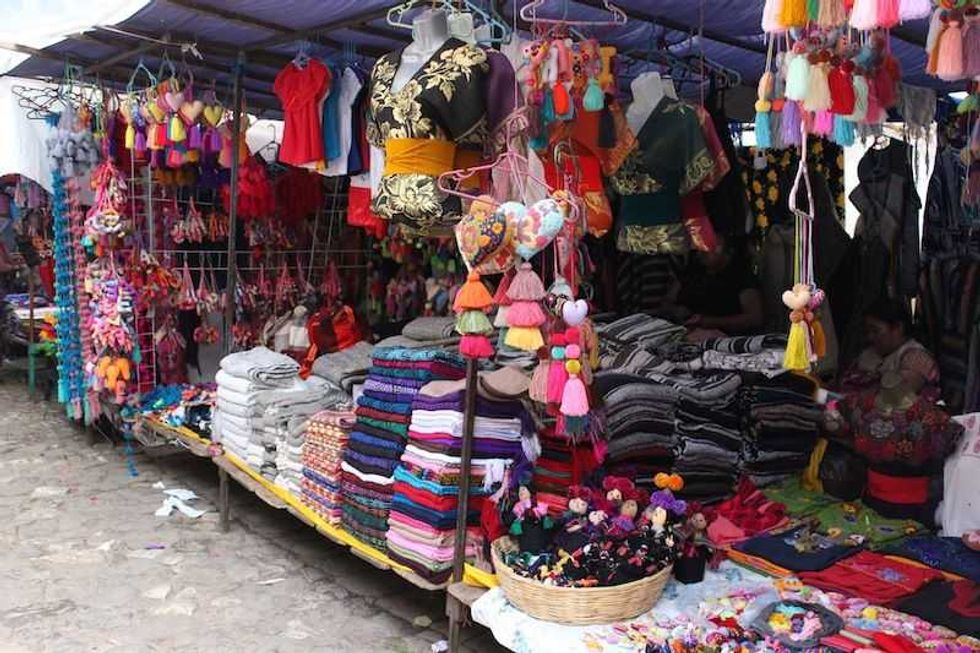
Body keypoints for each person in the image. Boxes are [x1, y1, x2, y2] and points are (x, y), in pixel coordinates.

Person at [661, 233, 765, 336]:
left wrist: (708, 322)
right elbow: (667, 301)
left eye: (712, 246)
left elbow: (754, 318)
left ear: (728, 252)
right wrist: (675, 310)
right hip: (683, 332)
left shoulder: (742, 277)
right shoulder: (692, 271)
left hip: (724, 338)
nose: (704, 250)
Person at [840, 298, 939, 400]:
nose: (870, 337)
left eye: (875, 331)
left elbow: (898, 394)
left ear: (898, 328)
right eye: (867, 331)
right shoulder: (868, 353)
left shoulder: (916, 358)